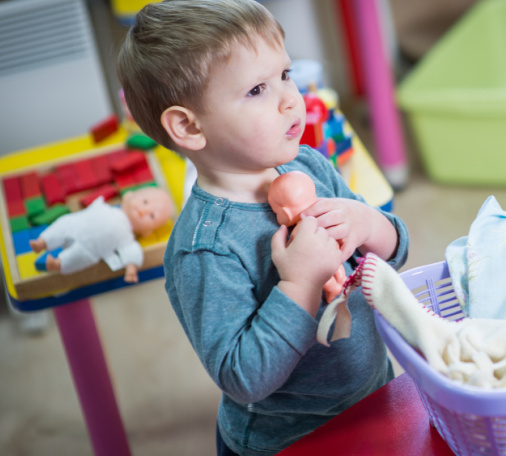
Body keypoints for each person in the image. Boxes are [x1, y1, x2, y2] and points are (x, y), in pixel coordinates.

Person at [116, 1, 409, 455]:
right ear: (188, 126)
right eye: (257, 90)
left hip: (374, 394)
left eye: (285, 76)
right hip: (292, 439)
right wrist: (300, 283)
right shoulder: (205, 250)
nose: (291, 99)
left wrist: (368, 223)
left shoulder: (307, 164)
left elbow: (393, 254)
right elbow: (243, 377)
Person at [29, 187, 173, 283]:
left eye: (152, 216)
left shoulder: (127, 239)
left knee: (78, 258)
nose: (144, 210)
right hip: (76, 224)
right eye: (145, 201)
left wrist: (131, 269)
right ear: (128, 197)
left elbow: (133, 253)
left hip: (89, 249)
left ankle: (57, 264)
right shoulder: (106, 207)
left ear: (147, 232)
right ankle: (42, 242)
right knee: (63, 224)